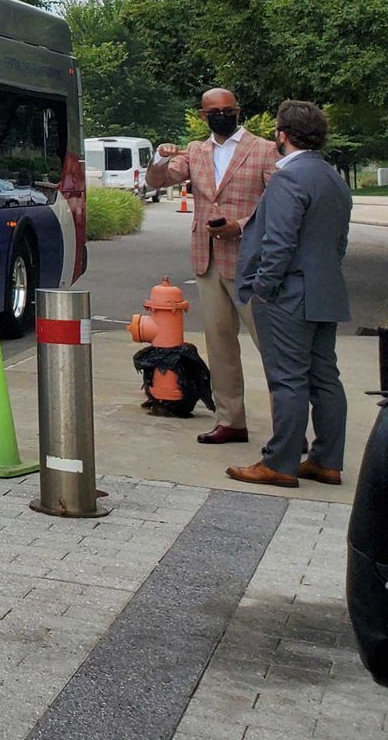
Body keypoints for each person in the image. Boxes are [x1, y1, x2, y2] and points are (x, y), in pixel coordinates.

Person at [228, 101, 351, 488]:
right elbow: (339, 241)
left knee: (288, 379)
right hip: (325, 290)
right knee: (325, 378)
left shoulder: (288, 178)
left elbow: (277, 241)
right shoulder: (333, 178)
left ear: (281, 134)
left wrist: (263, 289)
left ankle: (279, 463)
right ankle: (327, 460)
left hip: (288, 294)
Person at [146, 87, 280, 444]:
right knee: (220, 345)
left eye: (228, 109)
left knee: (271, 346)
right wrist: (159, 158)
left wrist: (244, 225)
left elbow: (279, 203)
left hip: (251, 261)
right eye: (214, 111)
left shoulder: (264, 150)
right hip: (207, 260)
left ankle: (288, 426)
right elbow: (156, 181)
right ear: (204, 116)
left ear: (238, 111)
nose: (222, 115)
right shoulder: (196, 151)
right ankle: (231, 420)